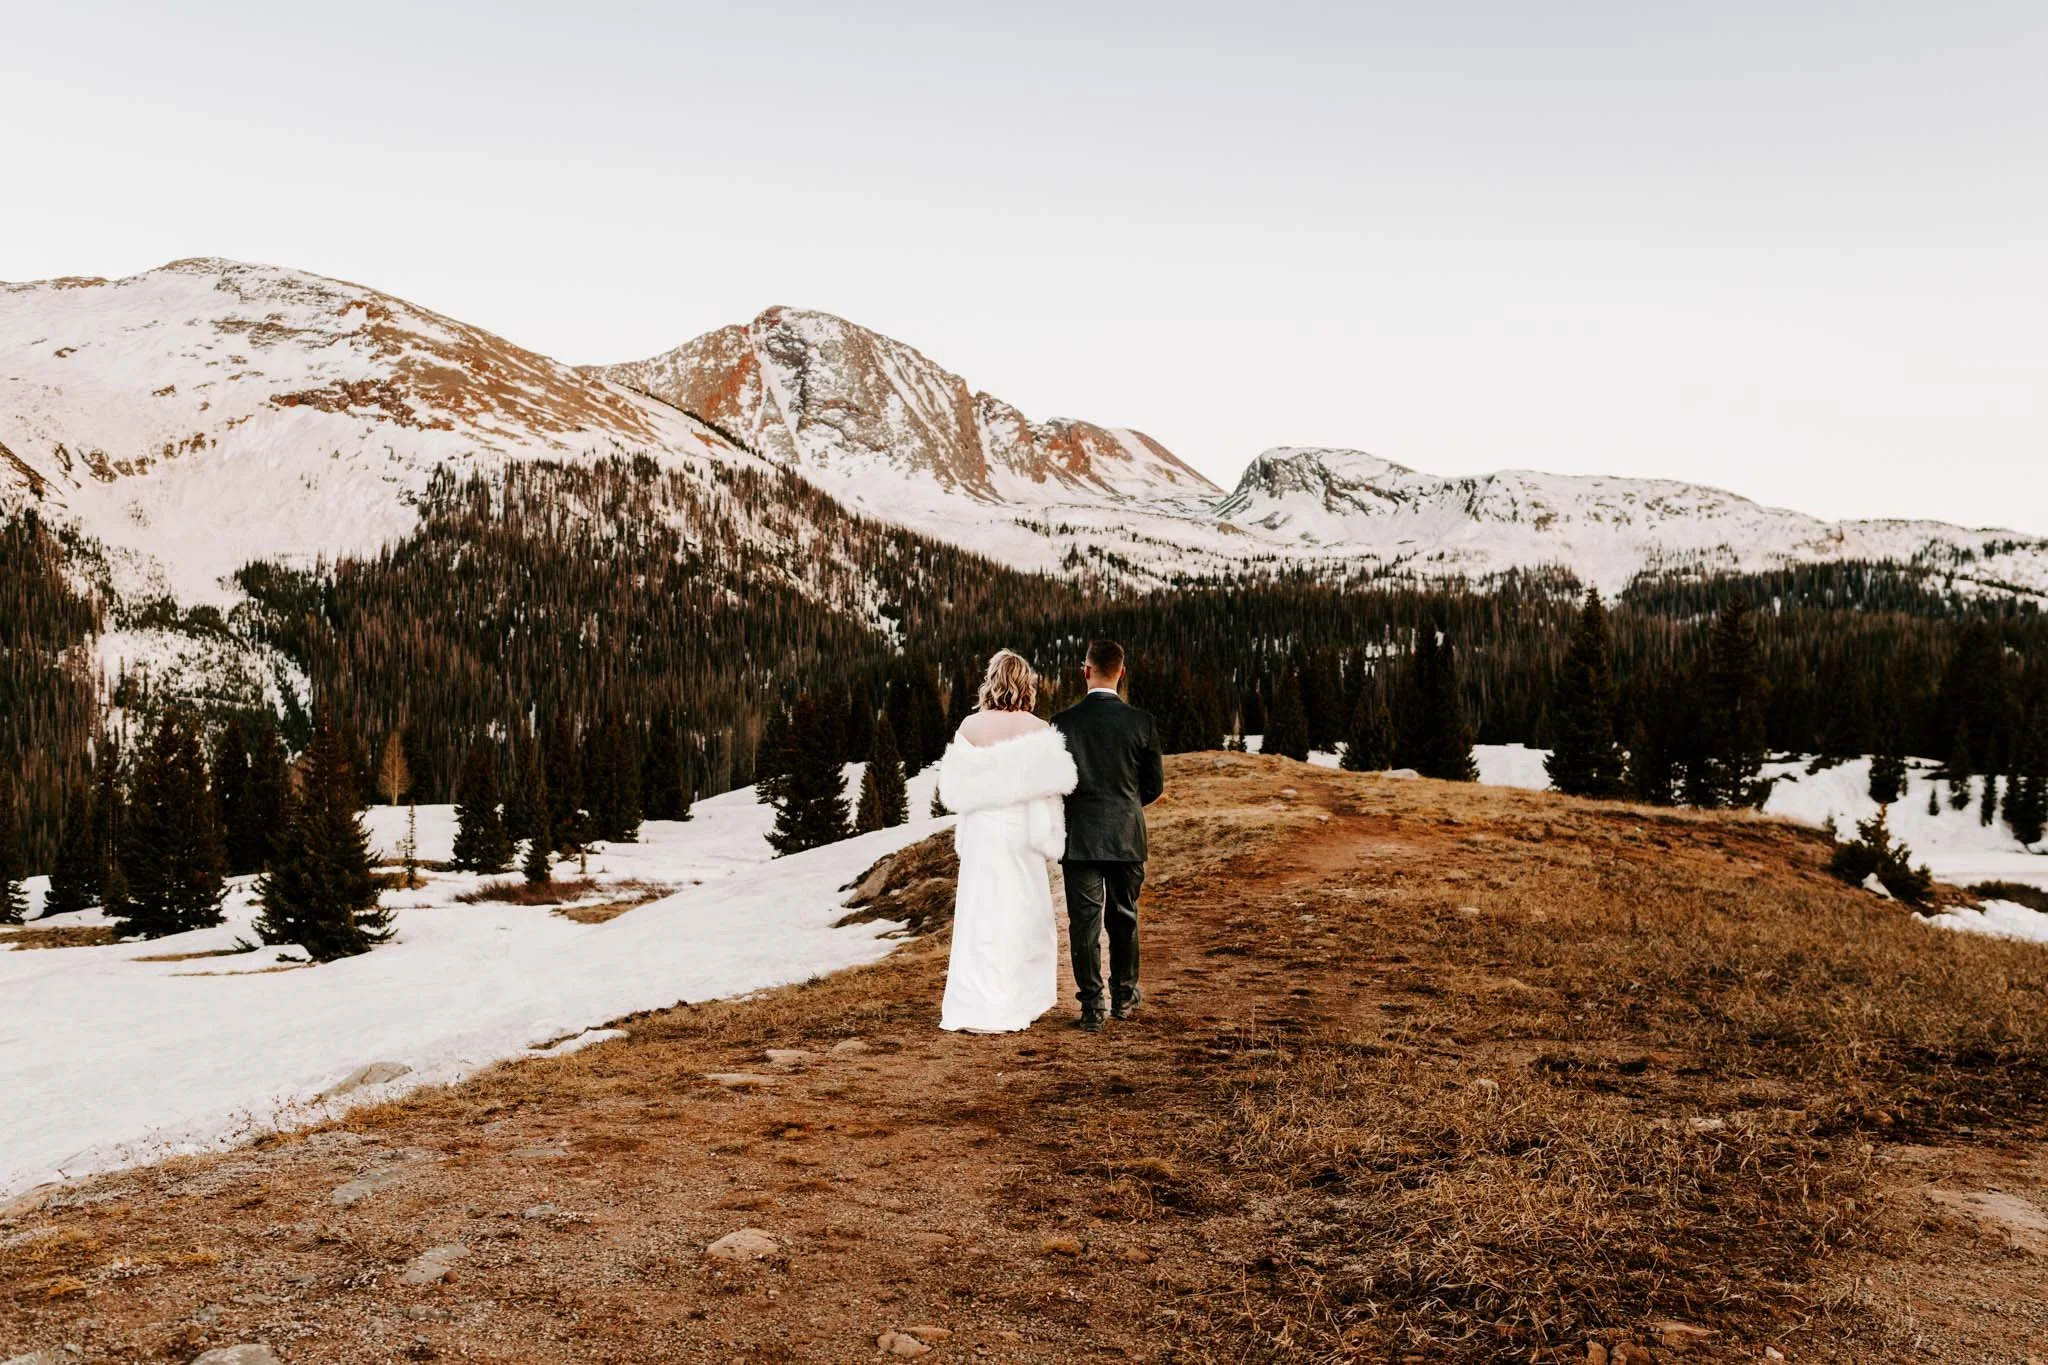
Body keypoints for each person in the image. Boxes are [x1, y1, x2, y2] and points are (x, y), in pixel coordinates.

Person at [935, 650, 1077, 1033]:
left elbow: (951, 788)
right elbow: (1054, 788)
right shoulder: (1037, 728)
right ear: (1026, 683)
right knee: (1022, 913)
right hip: (1020, 833)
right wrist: (1052, 838)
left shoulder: (969, 727)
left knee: (980, 914)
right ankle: (1015, 1001)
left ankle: (976, 1005)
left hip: (982, 831)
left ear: (992, 680)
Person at [1050, 639, 1164, 1031]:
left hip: (1079, 837)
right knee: (1124, 918)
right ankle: (1124, 996)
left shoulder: (1062, 723)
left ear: (1086, 671)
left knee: (1084, 924)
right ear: (1121, 671)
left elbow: (1056, 784)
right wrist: (1125, 807)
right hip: (1126, 835)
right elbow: (1154, 786)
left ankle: (1091, 1006)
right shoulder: (1141, 722)